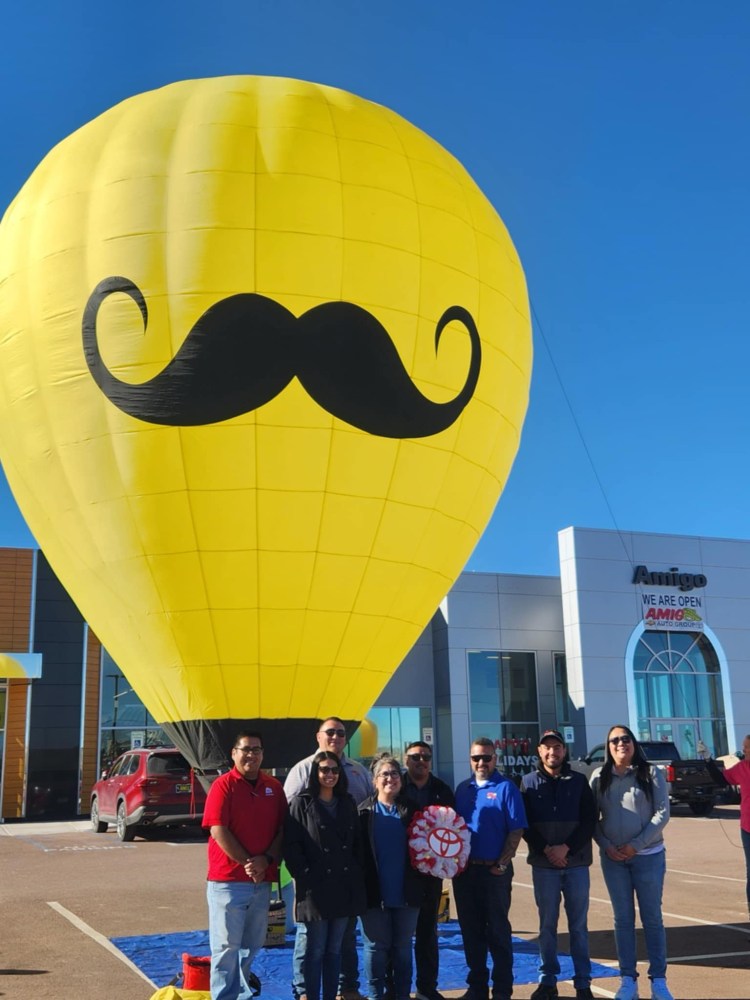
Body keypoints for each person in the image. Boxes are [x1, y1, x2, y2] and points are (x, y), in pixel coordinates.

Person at [285, 718, 373, 1000]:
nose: (329, 774)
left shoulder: (356, 779)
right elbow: (291, 834)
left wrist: (357, 872)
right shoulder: (300, 779)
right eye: (330, 732)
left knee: (340, 944)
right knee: (311, 944)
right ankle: (304, 992)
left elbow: (362, 831)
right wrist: (304, 872)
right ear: (318, 736)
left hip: (344, 881)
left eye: (340, 732)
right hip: (315, 884)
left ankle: (344, 989)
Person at [202, 731, 287, 1000]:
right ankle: (224, 996)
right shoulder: (223, 786)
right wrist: (249, 862)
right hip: (227, 881)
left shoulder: (274, 786)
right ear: (234, 753)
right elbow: (218, 830)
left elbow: (282, 830)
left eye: (257, 750)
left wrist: (267, 861)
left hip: (261, 881)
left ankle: (241, 994)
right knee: (226, 946)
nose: (252, 754)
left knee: (251, 945)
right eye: (246, 749)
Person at [590, 725, 672, 1000]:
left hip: (648, 858)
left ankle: (658, 980)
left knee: (652, 919)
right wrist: (607, 847)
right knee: (623, 919)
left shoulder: (651, 773)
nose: (620, 744)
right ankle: (628, 980)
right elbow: (592, 820)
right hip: (613, 860)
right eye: (614, 740)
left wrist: (636, 846)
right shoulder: (599, 777)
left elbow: (662, 814)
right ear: (608, 746)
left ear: (633, 743)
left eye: (625, 739)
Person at [520, 729, 596, 1000]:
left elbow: (589, 820)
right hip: (544, 866)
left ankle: (583, 983)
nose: (552, 752)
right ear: (539, 752)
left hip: (576, 864)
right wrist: (547, 849)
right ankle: (547, 980)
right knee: (547, 926)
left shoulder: (578, 781)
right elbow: (524, 824)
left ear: (564, 751)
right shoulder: (527, 783)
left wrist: (567, 848)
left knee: (578, 927)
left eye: (557, 747)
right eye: (547, 748)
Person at [453, 737, 527, 1000]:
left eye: (486, 757)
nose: (481, 762)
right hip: (465, 873)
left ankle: (503, 989)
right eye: (476, 758)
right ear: (470, 760)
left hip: (494, 872)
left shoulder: (507, 788)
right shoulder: (462, 789)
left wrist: (503, 863)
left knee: (497, 932)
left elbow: (516, 829)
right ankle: (477, 987)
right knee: (470, 931)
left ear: (495, 759)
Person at [359, 754, 426, 1000]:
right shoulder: (363, 813)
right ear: (375, 780)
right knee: (375, 948)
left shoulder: (414, 811)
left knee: (402, 948)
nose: (390, 778)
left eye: (395, 773)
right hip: (374, 893)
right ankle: (375, 994)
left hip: (407, 892)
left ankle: (401, 995)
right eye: (384, 774)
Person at [401, 740, 455, 1000]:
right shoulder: (394, 785)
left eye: (425, 757)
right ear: (405, 759)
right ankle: (396, 989)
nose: (420, 761)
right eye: (415, 757)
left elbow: (454, 830)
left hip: (430, 874)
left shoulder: (442, 790)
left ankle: (426, 989)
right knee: (397, 936)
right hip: (398, 872)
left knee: (426, 933)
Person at [707, 734, 750, 916]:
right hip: (748, 827)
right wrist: (708, 760)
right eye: (744, 747)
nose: (744, 750)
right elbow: (721, 779)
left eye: (747, 747)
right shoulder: (742, 767)